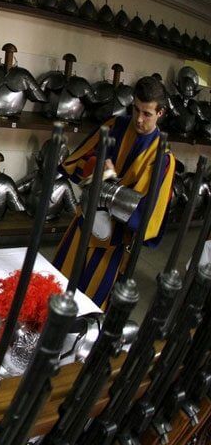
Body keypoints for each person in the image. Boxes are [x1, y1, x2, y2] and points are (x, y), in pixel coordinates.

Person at [53, 76, 176, 307]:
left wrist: (113, 183)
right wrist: (96, 165)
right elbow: (78, 161)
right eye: (136, 110)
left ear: (161, 113)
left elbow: (146, 216)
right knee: (56, 286)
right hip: (82, 224)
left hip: (113, 243)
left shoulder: (163, 159)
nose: (139, 119)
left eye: (147, 114)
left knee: (88, 306)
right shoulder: (115, 126)